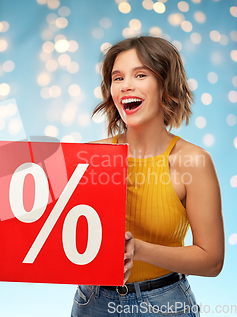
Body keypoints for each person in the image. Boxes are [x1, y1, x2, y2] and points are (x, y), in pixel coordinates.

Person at [71, 36, 224, 316]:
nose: (126, 85)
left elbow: (211, 261)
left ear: (165, 84)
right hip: (92, 300)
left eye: (140, 75)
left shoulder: (193, 162)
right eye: (117, 78)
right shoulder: (88, 156)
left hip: (164, 304)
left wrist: (138, 250)